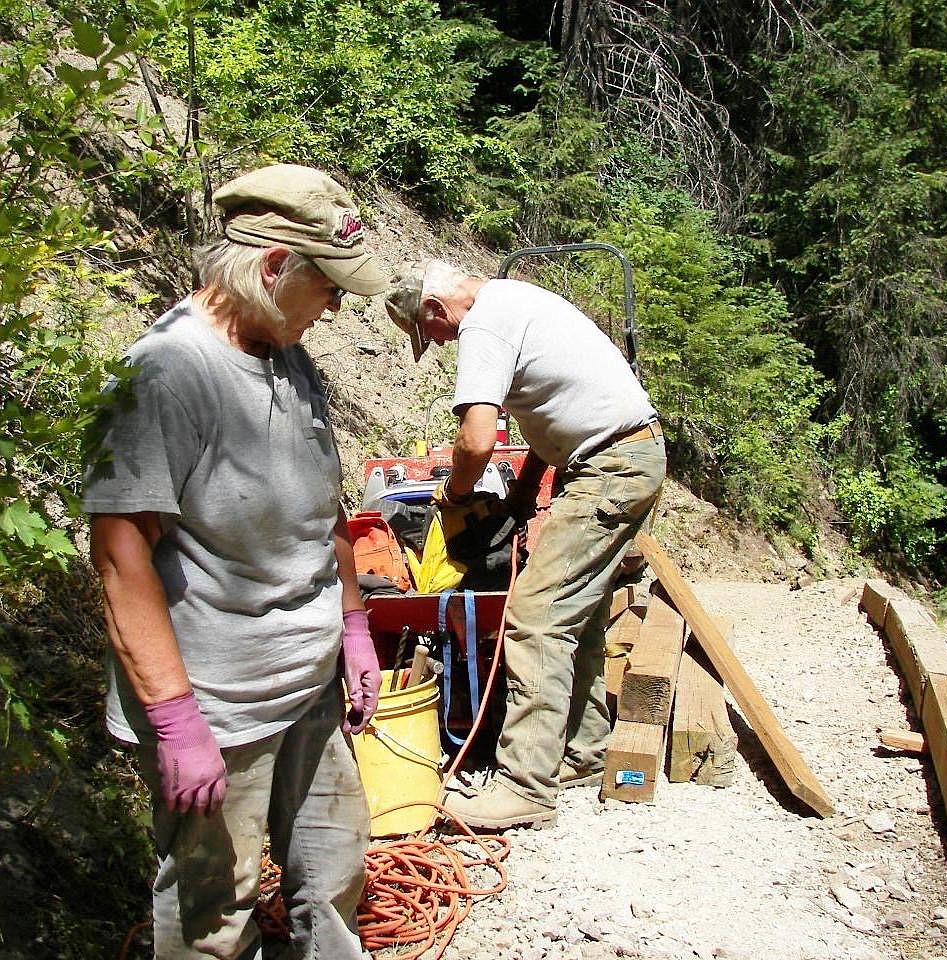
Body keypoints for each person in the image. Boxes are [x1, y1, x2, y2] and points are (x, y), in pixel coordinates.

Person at [83, 163, 387, 959]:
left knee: (333, 871)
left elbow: (327, 512)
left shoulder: (288, 357)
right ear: (272, 268)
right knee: (212, 915)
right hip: (222, 709)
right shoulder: (166, 374)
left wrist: (352, 628)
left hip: (308, 687)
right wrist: (177, 722)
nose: (337, 308)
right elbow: (120, 557)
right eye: (330, 288)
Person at [384, 259, 666, 829]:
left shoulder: (483, 326)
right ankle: (584, 753)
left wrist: (454, 499)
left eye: (429, 332)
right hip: (622, 457)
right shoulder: (513, 303)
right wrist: (523, 493)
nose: (437, 343)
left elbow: (477, 438)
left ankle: (525, 788)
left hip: (609, 466)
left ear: (436, 309)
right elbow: (545, 415)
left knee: (533, 618)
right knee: (572, 612)